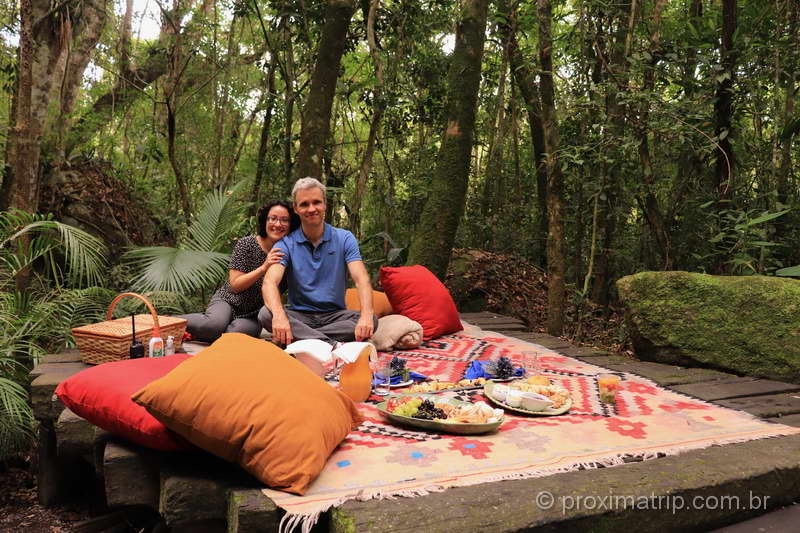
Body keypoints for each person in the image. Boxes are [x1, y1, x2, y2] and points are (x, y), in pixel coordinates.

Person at [258, 177, 377, 347]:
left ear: (325, 205)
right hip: (300, 316)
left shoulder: (344, 238)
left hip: (335, 315)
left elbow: (361, 279)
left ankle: (303, 338)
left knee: (371, 318)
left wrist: (366, 316)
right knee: (266, 314)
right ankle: (330, 344)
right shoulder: (285, 244)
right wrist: (279, 316)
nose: (311, 209)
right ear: (296, 209)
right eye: (304, 204)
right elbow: (269, 282)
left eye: (316, 202)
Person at [181, 200, 300, 343]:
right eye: (273, 218)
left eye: (284, 220)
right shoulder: (247, 244)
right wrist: (263, 267)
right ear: (265, 221)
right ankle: (167, 321)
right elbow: (235, 285)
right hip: (228, 301)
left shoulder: (291, 254)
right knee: (214, 325)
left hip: (254, 315)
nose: (278, 224)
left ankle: (204, 333)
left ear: (291, 224)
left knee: (234, 336)